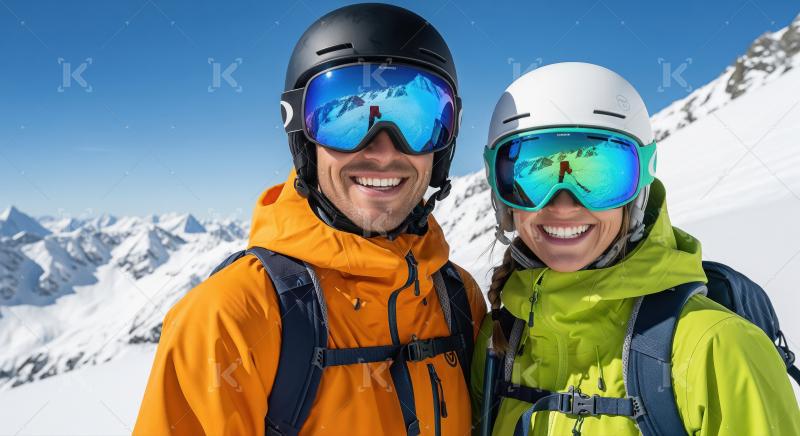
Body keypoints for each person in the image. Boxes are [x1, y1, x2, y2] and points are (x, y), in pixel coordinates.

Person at [133, 4, 486, 435]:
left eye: (418, 121)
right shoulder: (228, 318)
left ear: (444, 146)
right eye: (345, 119)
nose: (383, 150)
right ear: (303, 137)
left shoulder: (459, 300)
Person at [471, 62, 800, 435]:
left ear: (639, 190)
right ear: (502, 197)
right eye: (535, 174)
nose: (563, 204)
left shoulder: (718, 348)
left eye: (598, 173)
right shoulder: (499, 344)